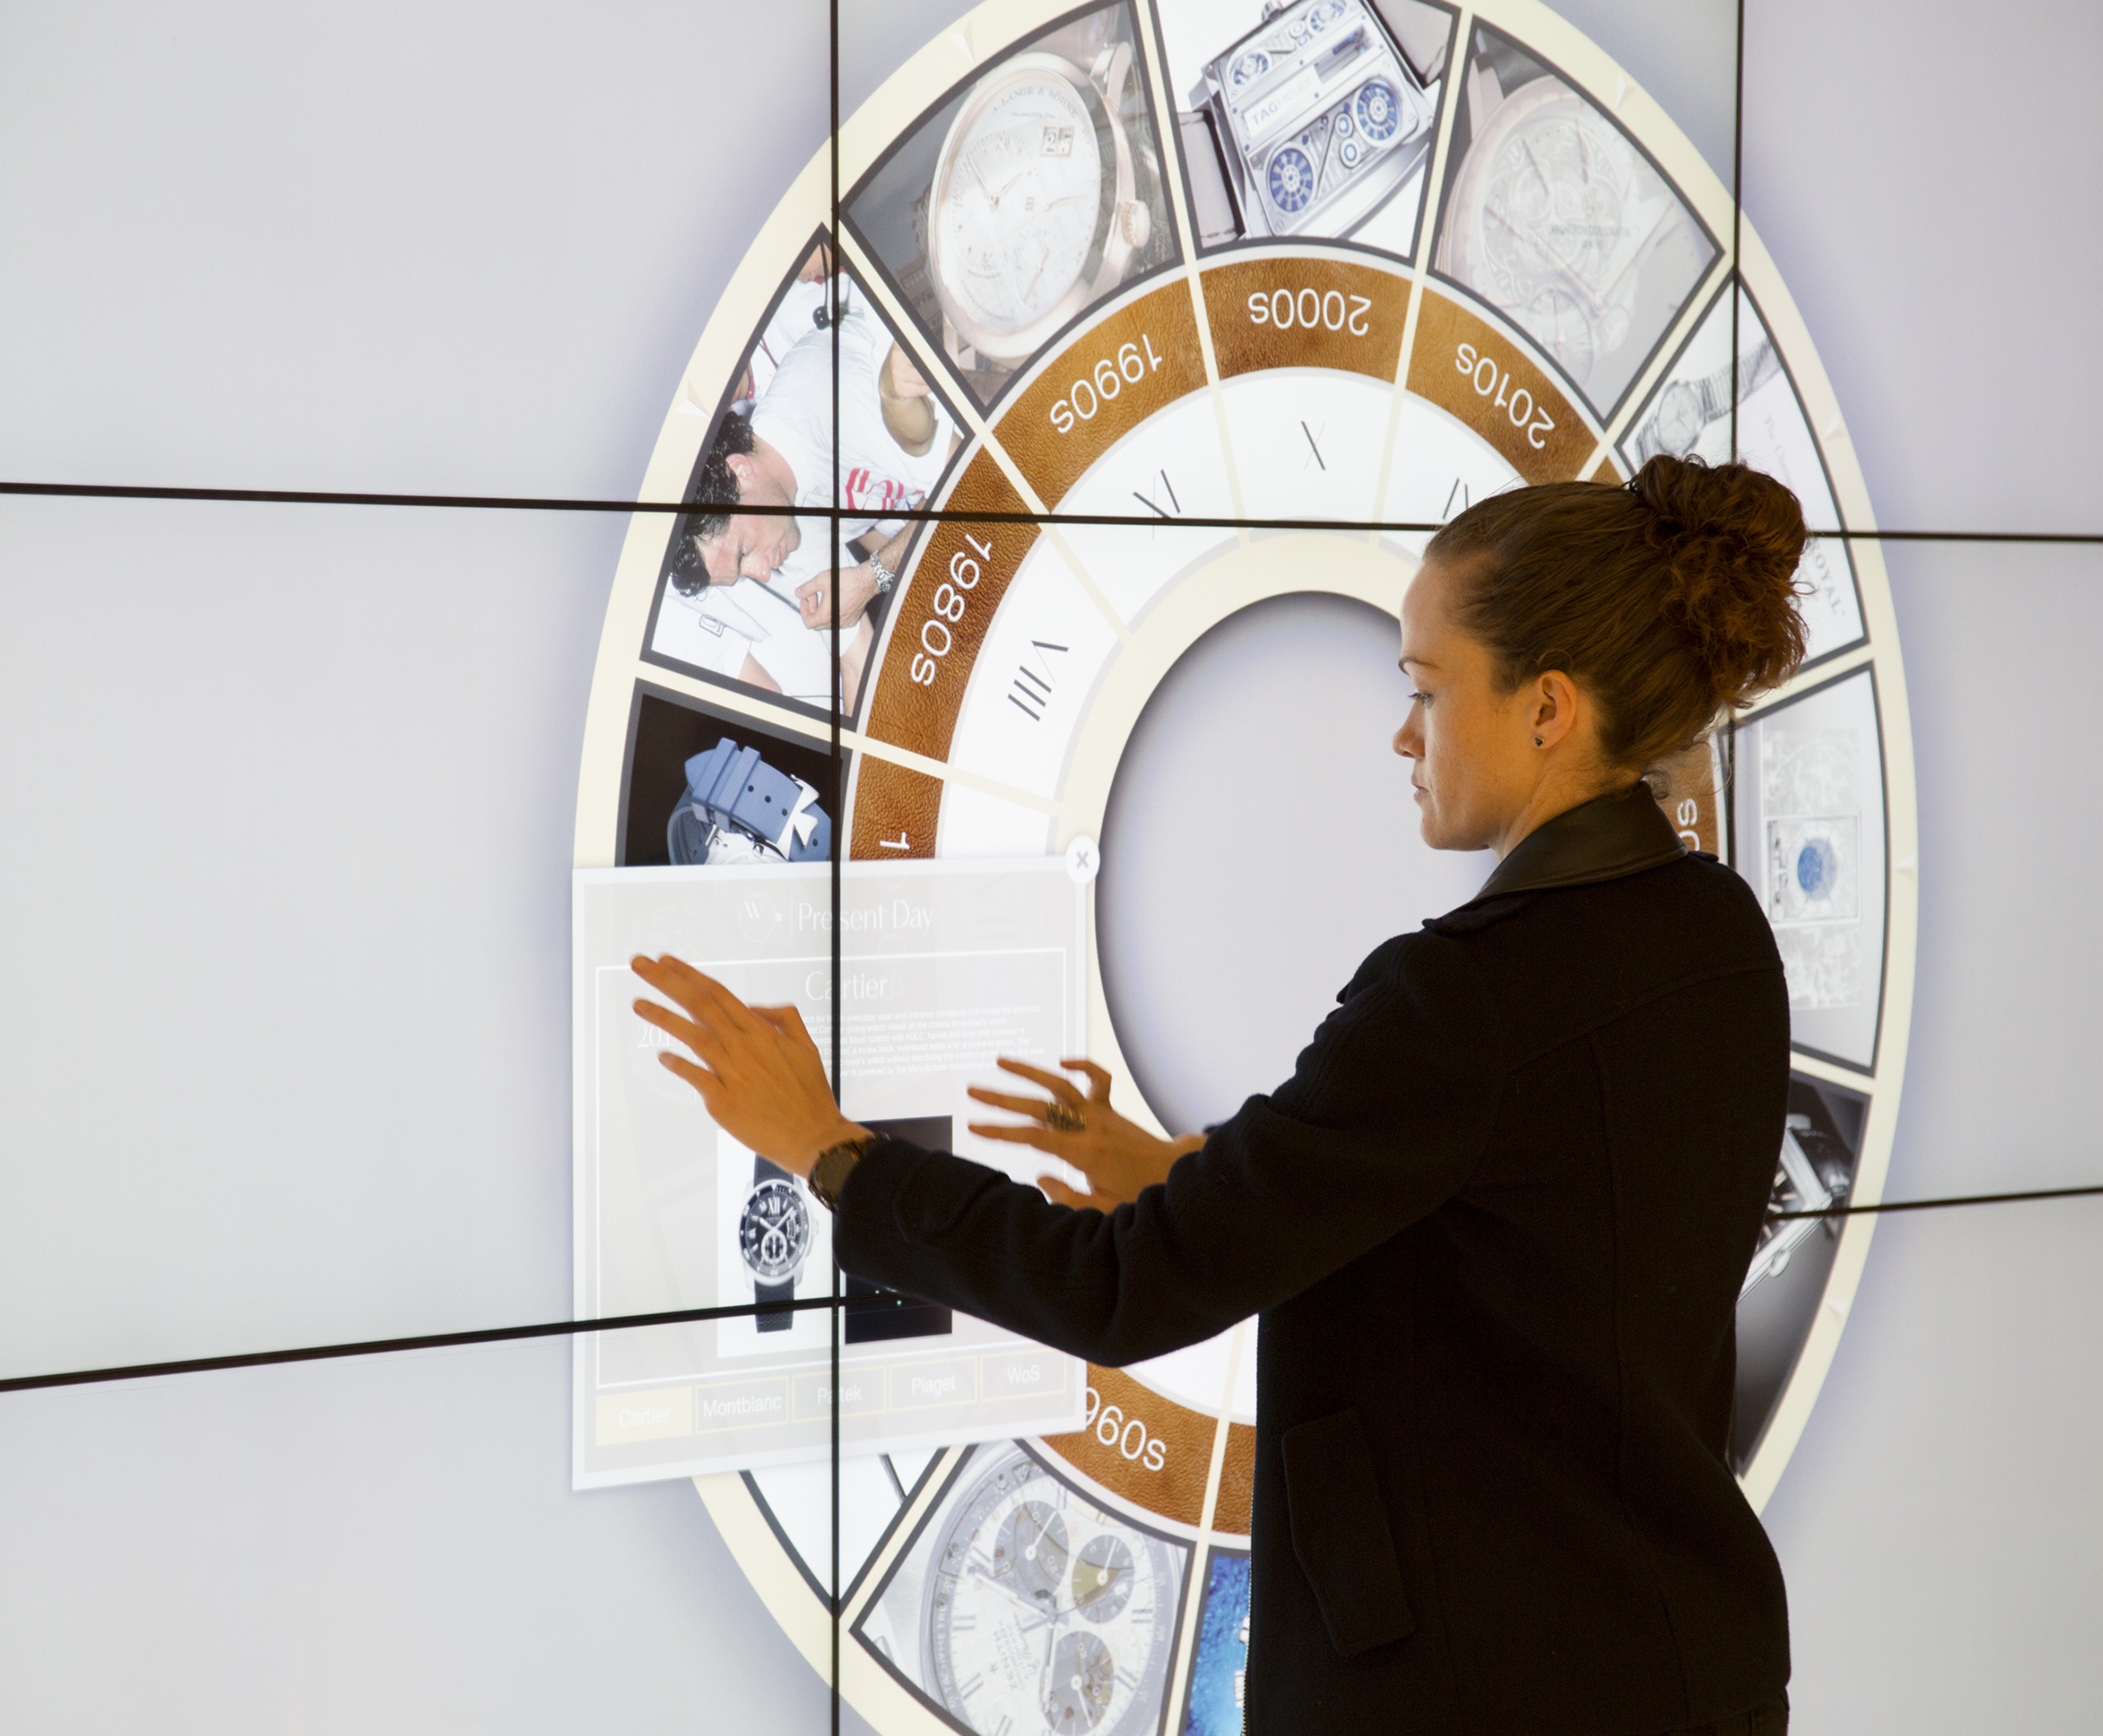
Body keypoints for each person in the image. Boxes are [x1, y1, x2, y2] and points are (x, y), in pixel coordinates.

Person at [633, 455, 1813, 1735]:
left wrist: (833, 1153)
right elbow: (1530, 1219)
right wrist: (1200, 1179)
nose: (1404, 735)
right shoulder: (1716, 933)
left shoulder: (1461, 1003)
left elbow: (1118, 1288)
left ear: (1548, 709)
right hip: (1688, 1664)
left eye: (1425, 691)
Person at [655, 301, 961, 707]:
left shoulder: (820, 401)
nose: (763, 571)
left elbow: (974, 475)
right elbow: (858, 665)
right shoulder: (784, 528)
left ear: (739, 472)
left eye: (744, 553)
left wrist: (871, 579)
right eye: (744, 571)